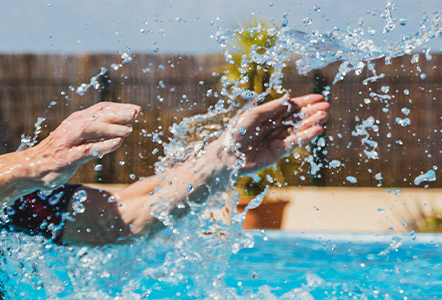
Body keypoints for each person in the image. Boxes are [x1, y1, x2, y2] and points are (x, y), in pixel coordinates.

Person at [0, 94, 329, 245]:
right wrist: (33, 165)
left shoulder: (15, 203)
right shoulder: (19, 182)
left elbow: (120, 219)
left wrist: (220, 161)